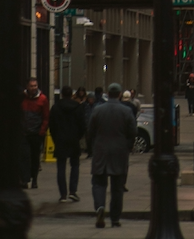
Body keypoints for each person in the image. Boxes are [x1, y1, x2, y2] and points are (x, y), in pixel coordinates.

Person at [87, 82, 136, 228]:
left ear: (107, 94)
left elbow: (90, 132)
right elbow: (133, 132)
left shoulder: (97, 110)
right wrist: (127, 146)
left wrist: (94, 146)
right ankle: (115, 218)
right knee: (117, 187)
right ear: (120, 94)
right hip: (119, 151)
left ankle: (100, 207)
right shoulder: (126, 111)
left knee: (98, 183)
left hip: (101, 150)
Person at [49, 86, 86, 203]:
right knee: (75, 165)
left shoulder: (55, 108)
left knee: (61, 167)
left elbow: (52, 126)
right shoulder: (78, 108)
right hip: (73, 139)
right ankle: (73, 191)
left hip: (60, 139)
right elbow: (82, 126)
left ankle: (63, 194)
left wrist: (56, 138)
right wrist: (78, 137)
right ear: (71, 95)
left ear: (61, 95)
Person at [21, 78, 50, 189]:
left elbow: (46, 117)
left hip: (36, 133)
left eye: (35, 86)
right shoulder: (22, 98)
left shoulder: (42, 99)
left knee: (34, 157)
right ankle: (25, 179)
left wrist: (41, 131)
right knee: (24, 157)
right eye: (31, 86)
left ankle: (34, 179)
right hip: (24, 133)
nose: (33, 88)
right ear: (27, 87)